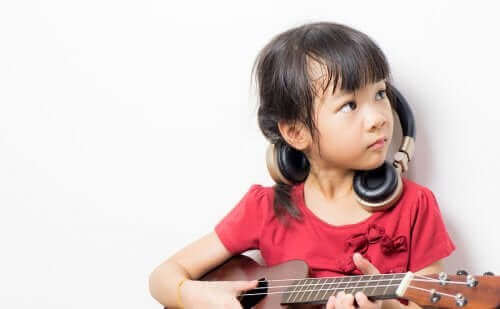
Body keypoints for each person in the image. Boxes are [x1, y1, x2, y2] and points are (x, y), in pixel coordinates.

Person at [149, 21, 456, 309]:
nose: (378, 118)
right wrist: (194, 296)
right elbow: (163, 276)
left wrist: (388, 306)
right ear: (296, 132)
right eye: (350, 104)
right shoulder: (264, 209)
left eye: (379, 94)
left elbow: (436, 300)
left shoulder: (415, 206)